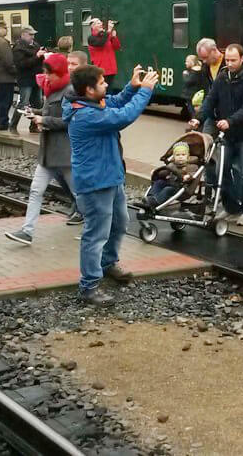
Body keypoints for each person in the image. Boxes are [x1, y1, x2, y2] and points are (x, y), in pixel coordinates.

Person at [65, 63, 158, 304]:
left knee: (120, 222)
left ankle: (108, 263)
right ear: (89, 89)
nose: (106, 84)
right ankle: (89, 286)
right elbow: (123, 115)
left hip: (110, 177)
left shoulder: (92, 103)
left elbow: (114, 102)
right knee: (96, 235)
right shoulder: (85, 115)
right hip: (95, 183)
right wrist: (145, 91)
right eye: (102, 82)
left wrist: (132, 87)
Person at [5, 51, 83, 245]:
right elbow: (50, 112)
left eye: (50, 73)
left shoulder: (70, 91)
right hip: (48, 152)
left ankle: (97, 227)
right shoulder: (52, 88)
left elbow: (69, 120)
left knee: (79, 194)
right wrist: (35, 113)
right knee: (35, 191)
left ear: (59, 72)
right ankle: (27, 231)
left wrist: (44, 120)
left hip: (64, 152)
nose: (46, 77)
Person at [189, 43, 243, 225]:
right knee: (221, 170)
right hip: (226, 135)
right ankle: (231, 207)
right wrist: (198, 118)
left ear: (242, 59)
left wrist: (230, 121)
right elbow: (210, 100)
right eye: (227, 60)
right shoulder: (222, 77)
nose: (229, 63)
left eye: (233, 60)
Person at [141, 141, 199, 209]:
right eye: (178, 155)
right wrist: (157, 172)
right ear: (174, 157)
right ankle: (149, 198)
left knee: (168, 189)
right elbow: (164, 173)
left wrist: (188, 177)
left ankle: (156, 201)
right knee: (159, 182)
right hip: (169, 183)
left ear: (188, 156)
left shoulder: (192, 167)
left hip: (181, 189)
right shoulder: (171, 164)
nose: (180, 157)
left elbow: (192, 176)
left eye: (183, 155)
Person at [10, 26, 44, 134]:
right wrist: (37, 56)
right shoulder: (18, 48)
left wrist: (43, 55)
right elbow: (21, 64)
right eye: (30, 35)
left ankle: (33, 126)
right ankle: (13, 126)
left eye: (33, 34)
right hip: (25, 79)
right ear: (23, 35)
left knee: (38, 103)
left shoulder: (36, 45)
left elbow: (38, 60)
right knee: (23, 103)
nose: (32, 37)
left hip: (36, 78)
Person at [86, 19, 121, 88]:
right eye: (98, 23)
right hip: (100, 69)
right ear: (93, 26)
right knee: (102, 89)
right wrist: (109, 31)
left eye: (100, 22)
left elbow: (116, 47)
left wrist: (114, 37)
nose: (101, 24)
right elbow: (100, 43)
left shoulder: (106, 36)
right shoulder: (91, 38)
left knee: (109, 89)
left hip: (111, 69)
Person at [181, 54, 205, 119]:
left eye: (187, 61)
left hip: (191, 95)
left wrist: (185, 75)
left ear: (191, 62)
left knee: (192, 110)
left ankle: (195, 121)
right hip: (197, 94)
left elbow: (188, 81)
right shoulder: (200, 70)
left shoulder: (194, 72)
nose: (185, 63)